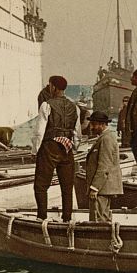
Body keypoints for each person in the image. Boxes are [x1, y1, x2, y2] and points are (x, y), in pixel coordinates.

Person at [32, 74, 80, 221]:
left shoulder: (46, 105)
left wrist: (35, 151)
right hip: (67, 149)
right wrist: (74, 147)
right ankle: (67, 219)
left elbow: (39, 132)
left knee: (40, 186)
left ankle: (42, 218)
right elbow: (77, 133)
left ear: (53, 87)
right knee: (67, 187)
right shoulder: (75, 107)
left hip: (50, 147)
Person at [84, 110, 124, 221]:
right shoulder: (106, 137)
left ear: (102, 124)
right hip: (104, 187)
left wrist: (95, 187)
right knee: (103, 218)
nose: (91, 127)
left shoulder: (106, 139)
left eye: (94, 124)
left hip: (102, 188)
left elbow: (104, 166)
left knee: (98, 219)